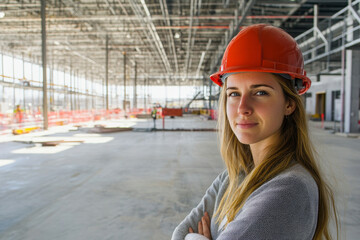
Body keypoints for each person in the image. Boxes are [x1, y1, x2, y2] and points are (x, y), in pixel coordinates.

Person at [171, 24, 339, 240]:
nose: (243, 108)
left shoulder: (289, 189)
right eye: (233, 94)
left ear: (289, 104)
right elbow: (180, 233)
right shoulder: (233, 176)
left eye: (260, 92)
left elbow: (187, 235)